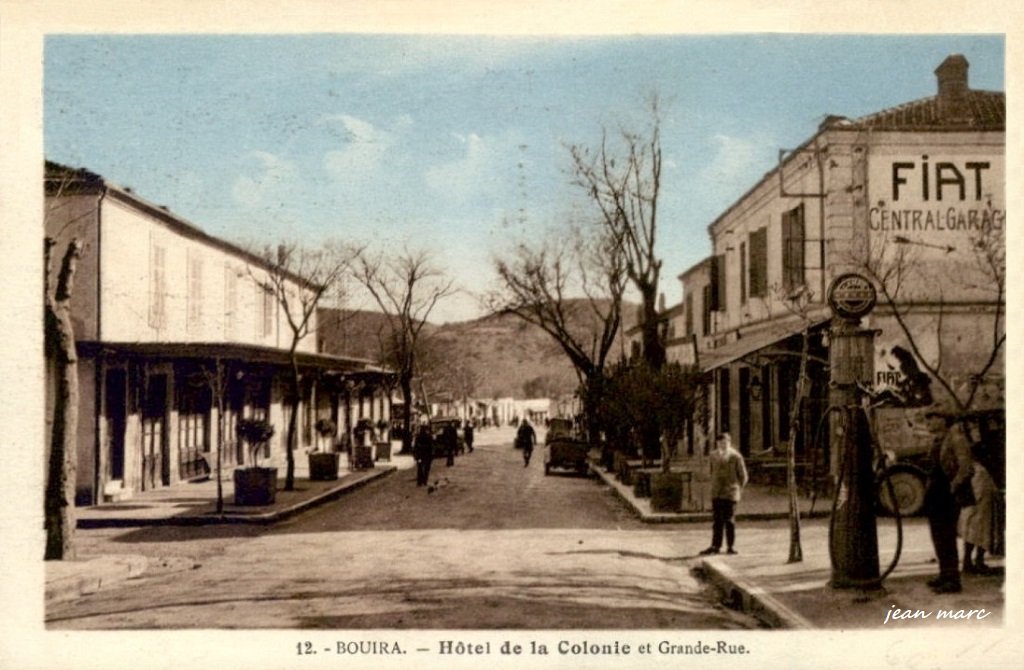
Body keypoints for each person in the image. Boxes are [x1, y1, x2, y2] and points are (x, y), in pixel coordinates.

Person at [923, 411, 974, 594]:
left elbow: (966, 468)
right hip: (935, 495)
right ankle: (944, 574)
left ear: (944, 420)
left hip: (946, 494)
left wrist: (952, 487)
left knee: (946, 537)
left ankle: (952, 580)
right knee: (938, 537)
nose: (928, 421)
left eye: (932, 417)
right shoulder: (937, 440)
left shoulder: (956, 439)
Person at [700, 433, 748, 556]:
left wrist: (737, 489)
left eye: (725, 443)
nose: (723, 445)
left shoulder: (736, 456)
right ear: (717, 444)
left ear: (729, 442)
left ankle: (731, 546)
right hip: (717, 493)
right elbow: (710, 472)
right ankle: (715, 546)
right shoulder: (713, 456)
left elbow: (743, 476)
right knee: (717, 521)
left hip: (730, 493)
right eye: (720, 443)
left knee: (730, 520)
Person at [959, 446, 996, 575]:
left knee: (971, 537)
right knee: (980, 537)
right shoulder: (979, 471)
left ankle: (968, 562)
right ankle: (977, 562)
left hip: (971, 508)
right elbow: (981, 491)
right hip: (979, 509)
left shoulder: (970, 469)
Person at [413, 422, 435, 487]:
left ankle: (420, 481)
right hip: (427, 455)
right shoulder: (429, 436)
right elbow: (431, 446)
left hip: (420, 455)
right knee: (426, 469)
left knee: (420, 468)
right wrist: (432, 455)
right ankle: (424, 481)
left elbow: (415, 447)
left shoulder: (418, 437)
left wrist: (415, 455)